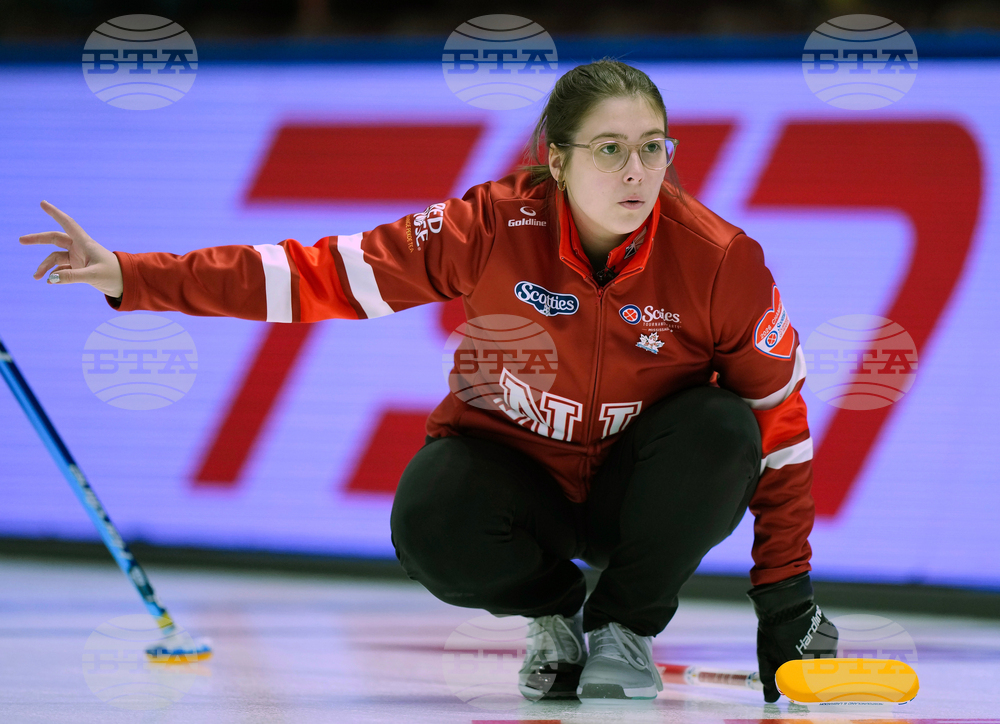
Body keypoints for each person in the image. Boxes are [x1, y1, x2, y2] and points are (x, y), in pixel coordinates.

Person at [20, 58, 837, 703]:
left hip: (640, 493)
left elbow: (782, 426)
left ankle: (625, 629)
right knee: (431, 517)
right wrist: (131, 276)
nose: (637, 170)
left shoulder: (720, 261)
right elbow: (316, 276)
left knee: (726, 428)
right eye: (610, 148)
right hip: (523, 490)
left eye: (654, 146)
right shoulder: (487, 225)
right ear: (555, 159)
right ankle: (559, 613)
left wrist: (787, 609)